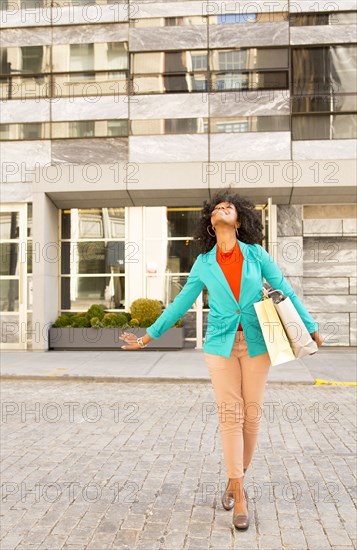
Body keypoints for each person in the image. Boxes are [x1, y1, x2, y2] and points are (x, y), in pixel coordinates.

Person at [120, 188, 323, 530]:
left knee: (252, 414)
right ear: (211, 224)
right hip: (220, 345)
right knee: (230, 415)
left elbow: (284, 290)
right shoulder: (203, 263)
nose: (222, 208)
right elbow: (180, 304)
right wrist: (148, 336)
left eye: (229, 206)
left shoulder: (256, 254)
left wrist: (311, 324)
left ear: (239, 220)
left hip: (258, 342)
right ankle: (240, 494)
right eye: (217, 207)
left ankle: (233, 479)